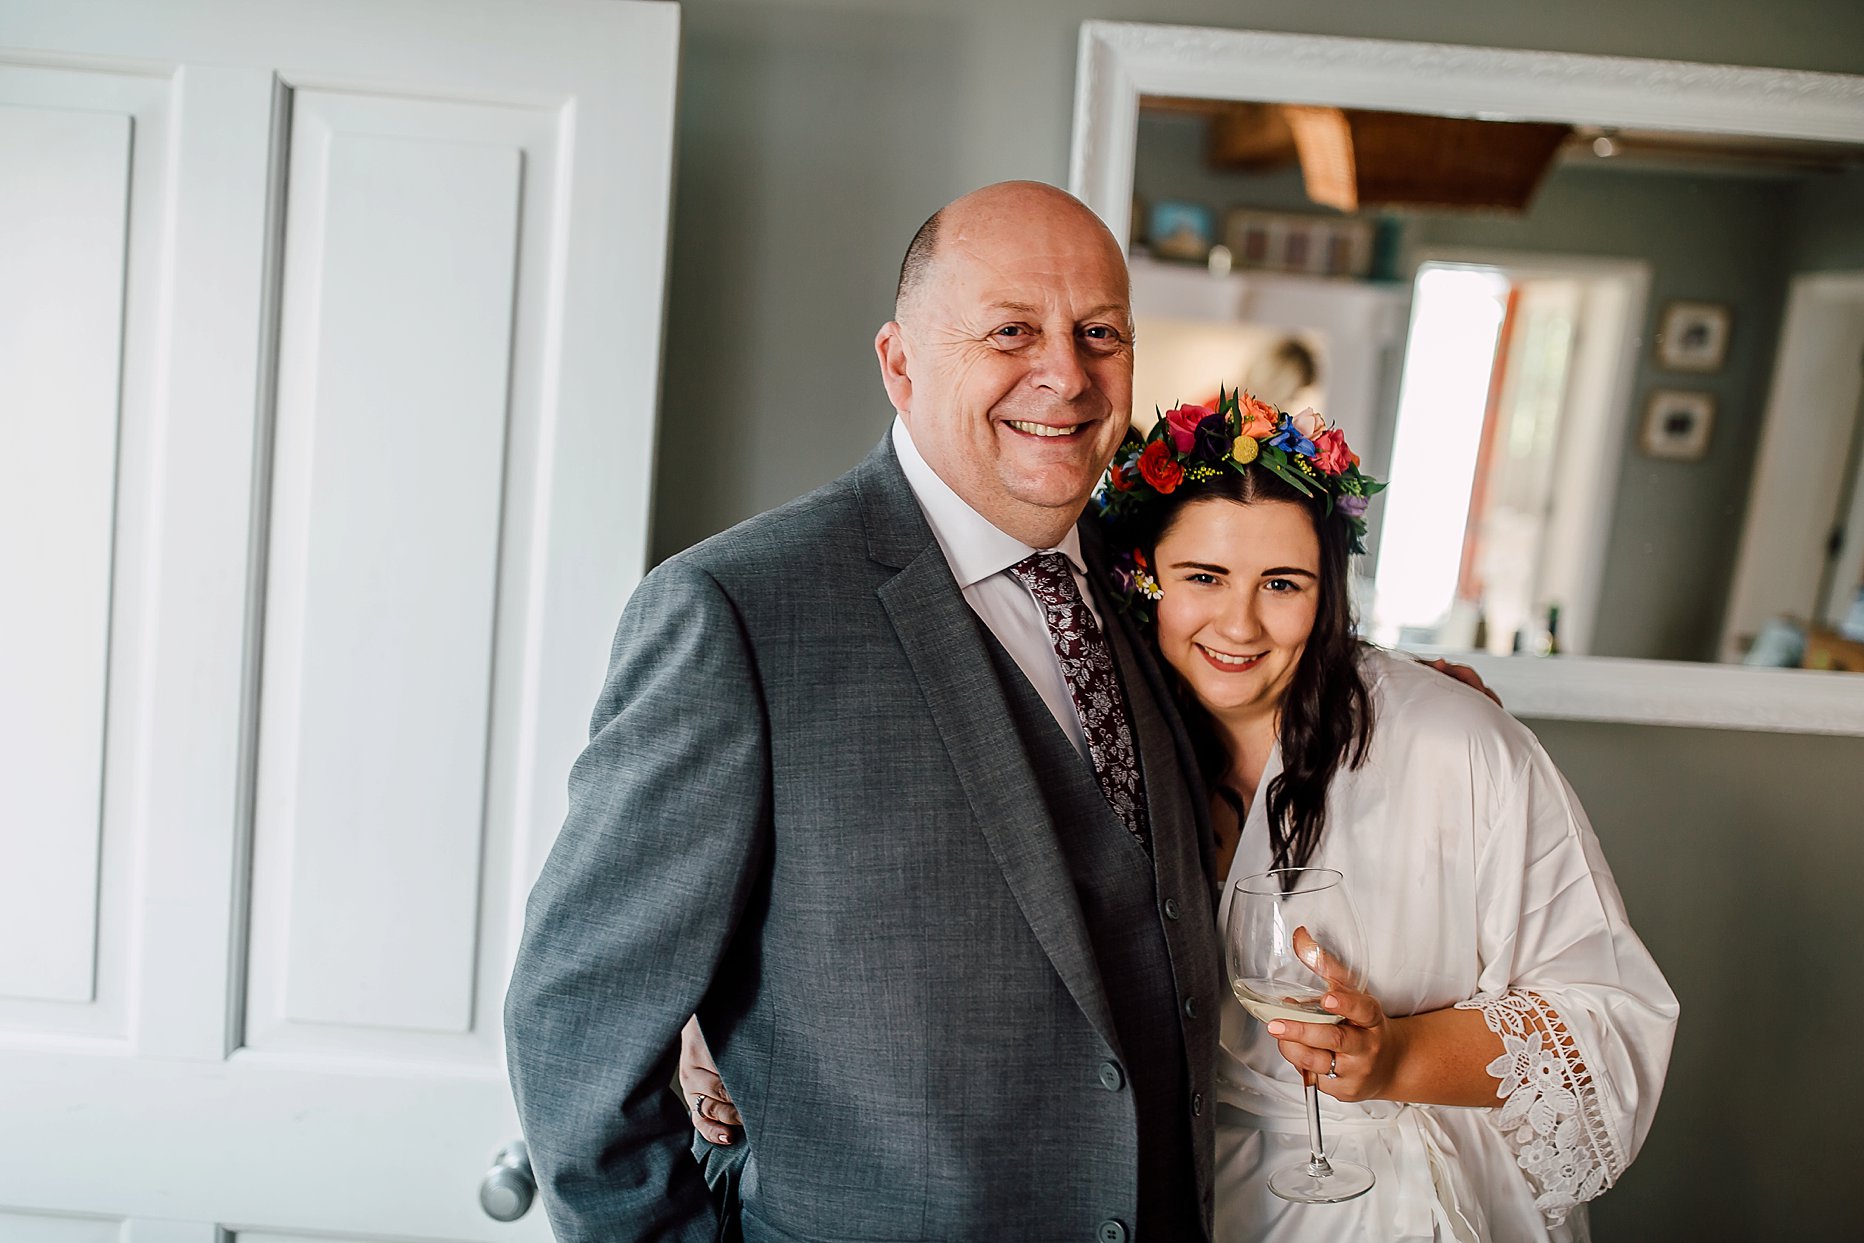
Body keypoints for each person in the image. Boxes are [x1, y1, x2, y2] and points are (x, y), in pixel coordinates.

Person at [504, 181, 1225, 1243]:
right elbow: (576, 1025)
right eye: (1011, 331)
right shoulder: (739, 610)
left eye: (1099, 333)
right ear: (900, 363)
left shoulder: (1158, 589)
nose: (1067, 375)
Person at [1087, 391, 1679, 1241]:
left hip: (1393, 1205)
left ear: (1328, 593)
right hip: (1180, 1198)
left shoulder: (1455, 744)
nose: (1239, 623)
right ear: (1146, 578)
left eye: (1282, 584)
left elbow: (1611, 1022)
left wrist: (1396, 1056)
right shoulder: (1104, 742)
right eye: (1204, 577)